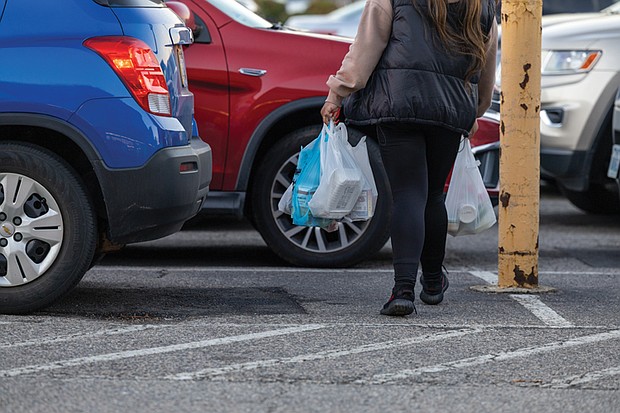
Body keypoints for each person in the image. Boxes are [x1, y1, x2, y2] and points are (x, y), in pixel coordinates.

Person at [320, 0, 498, 316]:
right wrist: (476, 109)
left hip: (397, 102)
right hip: (450, 109)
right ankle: (432, 280)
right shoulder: (483, 4)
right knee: (432, 196)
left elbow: (364, 50)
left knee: (407, 196)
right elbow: (485, 65)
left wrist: (337, 94)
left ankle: (402, 291)